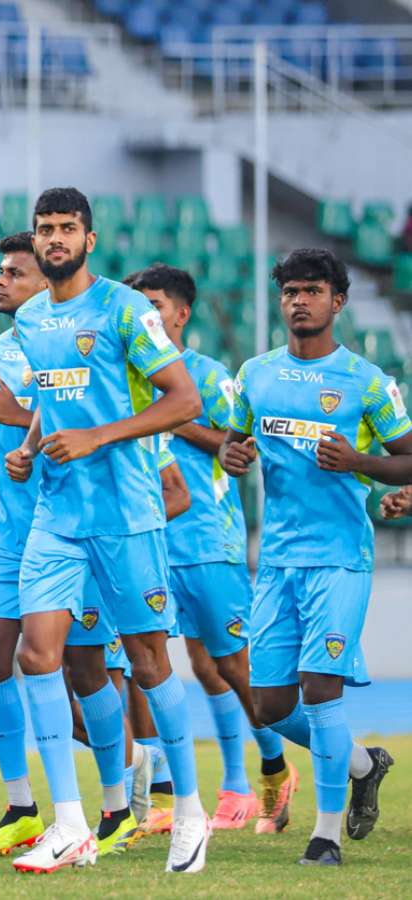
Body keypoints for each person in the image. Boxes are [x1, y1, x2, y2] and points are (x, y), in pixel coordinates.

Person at [1, 187, 207, 874]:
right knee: (36, 654)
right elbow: (54, 394)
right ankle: (69, 823)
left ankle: (189, 810)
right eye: (45, 229)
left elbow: (185, 400)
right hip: (57, 514)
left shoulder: (123, 308)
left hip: (126, 513)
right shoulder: (31, 316)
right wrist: (31, 444)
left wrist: (98, 436)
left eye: (67, 228)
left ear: (89, 239)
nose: (54, 238)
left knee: (148, 662)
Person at [0, 231, 144, 857]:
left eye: (15, 272)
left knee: (85, 670)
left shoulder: (80, 341)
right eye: (1, 270)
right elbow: (11, 435)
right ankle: (21, 807)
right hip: (6, 529)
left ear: (47, 283)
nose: (1, 280)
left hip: (69, 524)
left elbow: (83, 421)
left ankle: (118, 804)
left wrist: (17, 418)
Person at [220, 247, 409, 866]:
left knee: (320, 687)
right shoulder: (255, 374)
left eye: (312, 291)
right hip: (277, 560)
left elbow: (409, 458)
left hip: (339, 558)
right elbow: (233, 441)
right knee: (269, 705)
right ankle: (361, 764)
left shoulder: (366, 382)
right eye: (290, 292)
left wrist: (360, 462)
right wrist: (232, 455)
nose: (299, 301)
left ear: (338, 301)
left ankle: (325, 836)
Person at [130, 263, 295, 833]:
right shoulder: (126, 376)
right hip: (145, 538)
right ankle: (209, 790)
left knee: (228, 663)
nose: (146, 315)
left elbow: (238, 444)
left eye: (154, 304)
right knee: (159, 666)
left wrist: (172, 417)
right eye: (138, 306)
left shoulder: (207, 375)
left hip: (204, 537)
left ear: (181, 313)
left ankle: (274, 765)